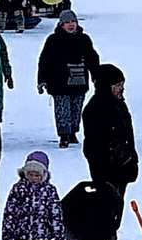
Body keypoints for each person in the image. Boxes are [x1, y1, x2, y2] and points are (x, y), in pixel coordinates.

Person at [81, 64, 139, 240]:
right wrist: (100, 172)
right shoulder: (95, 109)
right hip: (105, 171)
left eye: (121, 84)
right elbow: (93, 146)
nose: (121, 88)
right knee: (104, 214)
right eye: (117, 84)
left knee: (116, 213)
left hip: (121, 168)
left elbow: (127, 136)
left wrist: (131, 160)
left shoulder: (118, 104)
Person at [35, 14, 98, 148]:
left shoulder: (84, 39)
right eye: (67, 22)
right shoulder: (53, 40)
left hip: (79, 81)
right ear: (61, 24)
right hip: (59, 83)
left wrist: (96, 76)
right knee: (62, 110)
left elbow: (92, 59)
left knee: (76, 109)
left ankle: (73, 132)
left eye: (73, 22)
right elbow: (45, 60)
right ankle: (64, 135)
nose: (71, 25)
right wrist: (42, 80)